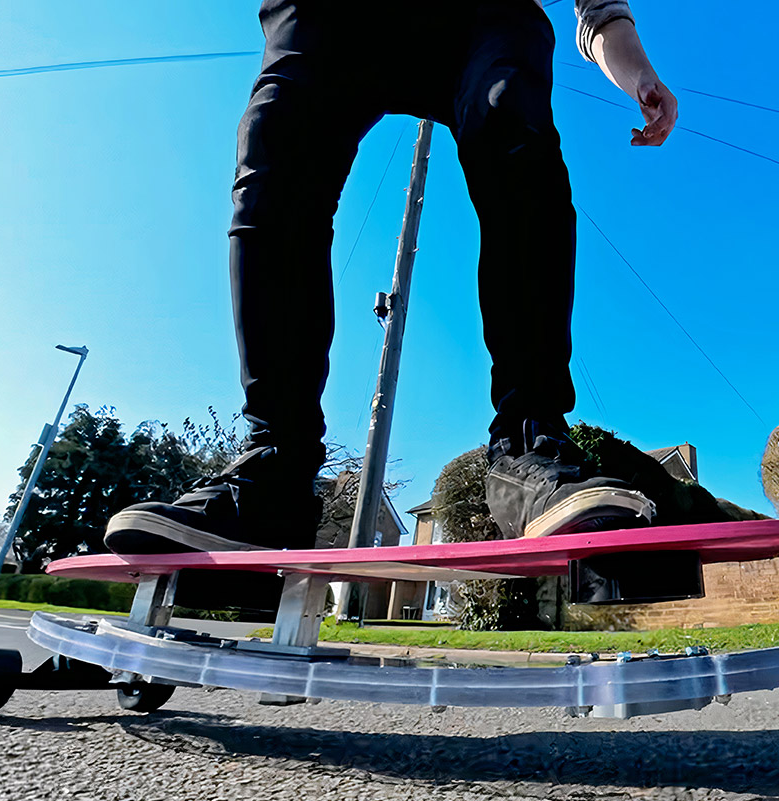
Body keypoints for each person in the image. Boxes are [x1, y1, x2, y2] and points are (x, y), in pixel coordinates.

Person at [104, 0, 678, 556]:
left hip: (482, 16)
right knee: (276, 145)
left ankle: (530, 448)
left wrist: (640, 74)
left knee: (515, 133)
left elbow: (600, 7)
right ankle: (272, 472)